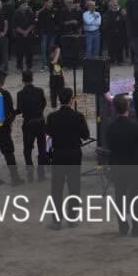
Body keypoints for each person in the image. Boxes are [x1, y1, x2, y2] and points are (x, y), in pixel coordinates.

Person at [44, 87, 91, 230]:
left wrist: (48, 157)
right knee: (74, 187)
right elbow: (86, 135)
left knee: (57, 188)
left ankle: (56, 220)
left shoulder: (52, 117)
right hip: (74, 154)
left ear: (59, 100)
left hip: (58, 154)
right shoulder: (78, 116)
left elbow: (48, 138)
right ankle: (72, 218)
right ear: (72, 100)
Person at [104, 93, 138, 237]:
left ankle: (122, 226)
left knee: (119, 196)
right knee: (135, 195)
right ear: (128, 107)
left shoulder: (110, 127)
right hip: (133, 164)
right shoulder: (134, 125)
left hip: (117, 164)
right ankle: (137, 227)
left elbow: (109, 145)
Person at [16, 71, 49, 182]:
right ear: (32, 79)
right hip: (40, 121)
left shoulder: (20, 94)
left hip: (28, 123)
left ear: (22, 80)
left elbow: (19, 110)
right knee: (42, 148)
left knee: (27, 148)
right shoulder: (39, 91)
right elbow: (44, 104)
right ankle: (41, 172)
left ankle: (29, 166)